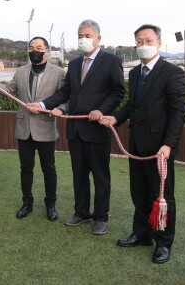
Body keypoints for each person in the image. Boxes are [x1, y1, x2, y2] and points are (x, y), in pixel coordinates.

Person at [28, 19, 125, 235]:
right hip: (76, 130)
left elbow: (118, 91)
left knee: (100, 175)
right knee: (78, 174)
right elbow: (67, 93)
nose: (83, 39)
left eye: (88, 35)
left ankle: (101, 217)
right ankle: (81, 212)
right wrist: (44, 105)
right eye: (80, 35)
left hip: (98, 130)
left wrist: (101, 110)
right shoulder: (73, 64)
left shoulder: (111, 61)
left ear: (99, 38)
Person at [99, 24, 185, 264]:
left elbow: (178, 112)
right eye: (139, 41)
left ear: (158, 42)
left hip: (160, 148)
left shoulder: (172, 72)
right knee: (139, 193)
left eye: (148, 40)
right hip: (137, 144)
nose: (143, 45)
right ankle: (142, 234)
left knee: (162, 197)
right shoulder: (135, 73)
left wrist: (168, 145)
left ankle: (164, 243)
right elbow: (132, 105)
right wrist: (116, 118)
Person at [0, 37, 67, 221]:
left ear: (47, 51)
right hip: (24, 127)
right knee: (26, 168)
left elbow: (65, 97)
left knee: (49, 169)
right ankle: (26, 202)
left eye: (39, 47)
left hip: (46, 127)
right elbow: (8, 90)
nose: (35, 50)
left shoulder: (59, 72)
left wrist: (61, 109)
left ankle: (50, 204)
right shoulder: (21, 71)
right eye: (31, 47)